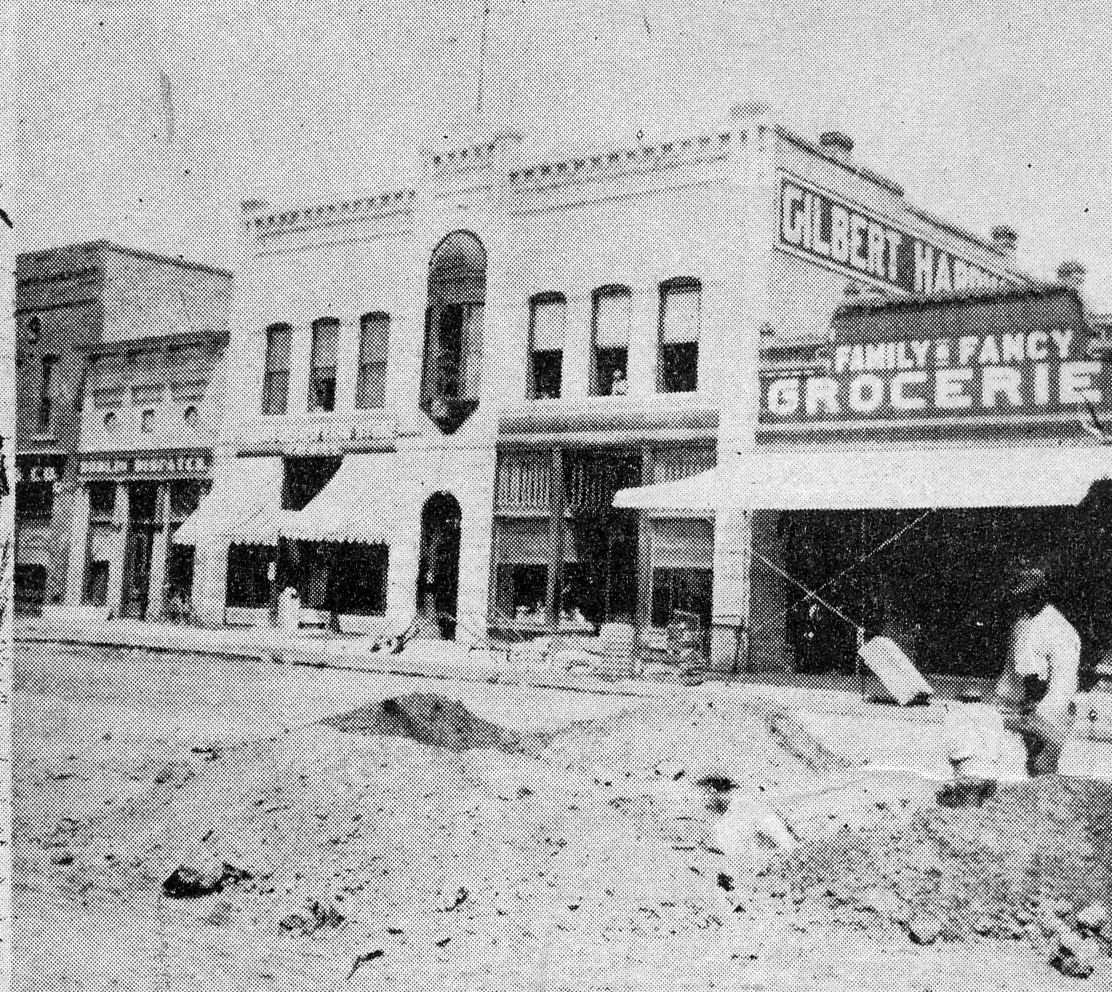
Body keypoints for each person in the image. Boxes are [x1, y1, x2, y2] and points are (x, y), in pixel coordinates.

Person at [993, 565, 1080, 776]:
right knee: (1027, 767)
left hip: (1051, 711)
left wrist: (1038, 717)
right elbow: (1011, 673)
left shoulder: (1060, 630)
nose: (1023, 601)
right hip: (1026, 705)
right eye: (1020, 596)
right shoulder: (1020, 624)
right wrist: (1006, 707)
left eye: (1028, 595)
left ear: (1040, 594)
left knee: (1044, 767)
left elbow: (1064, 684)